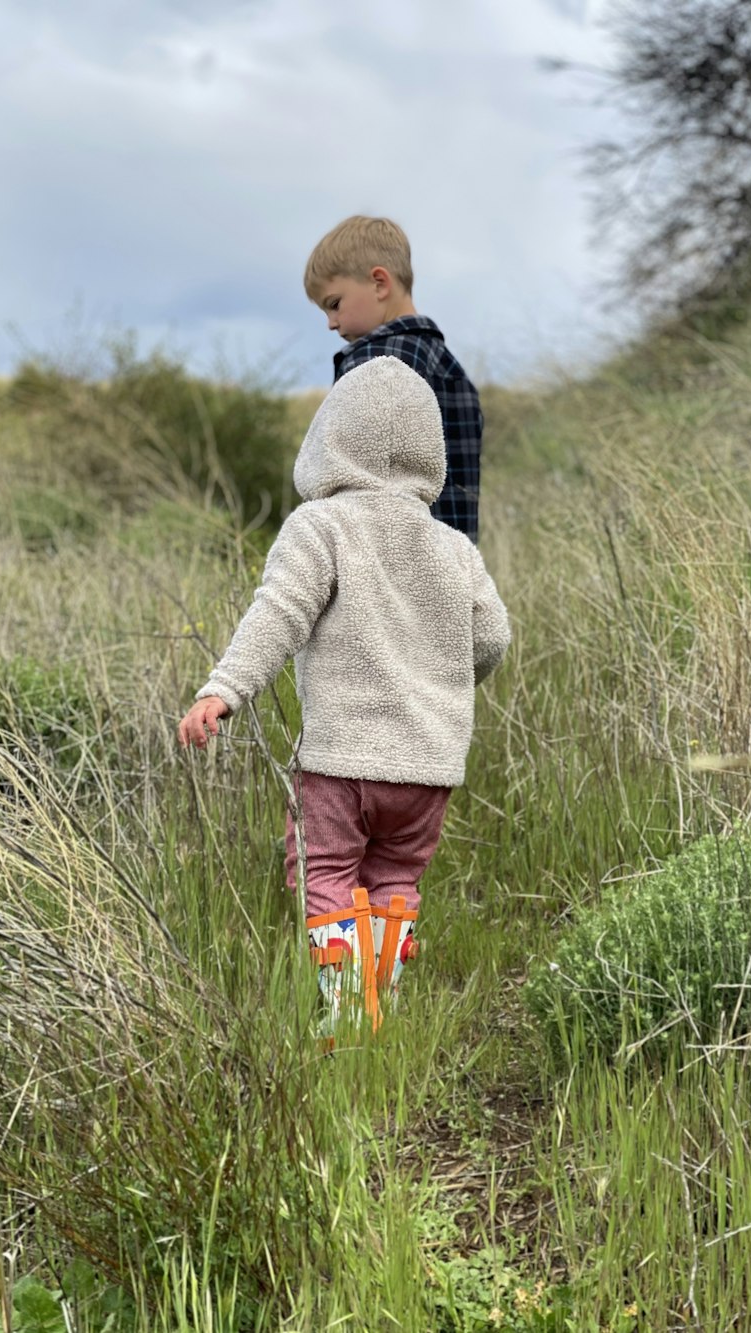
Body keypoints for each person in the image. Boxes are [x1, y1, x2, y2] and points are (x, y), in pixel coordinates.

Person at [177, 356, 510, 1034]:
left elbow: (278, 613)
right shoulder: (453, 549)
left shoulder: (320, 527)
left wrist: (225, 689)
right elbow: (493, 638)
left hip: (339, 762)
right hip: (428, 769)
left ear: (329, 440)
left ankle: (345, 1018)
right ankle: (383, 1001)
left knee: (325, 871)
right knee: (395, 878)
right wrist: (442, 683)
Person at [304, 214, 484, 544]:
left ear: (379, 283)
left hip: (385, 572)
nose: (331, 323)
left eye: (334, 304)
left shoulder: (375, 364)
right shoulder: (452, 370)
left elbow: (349, 480)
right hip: (452, 574)